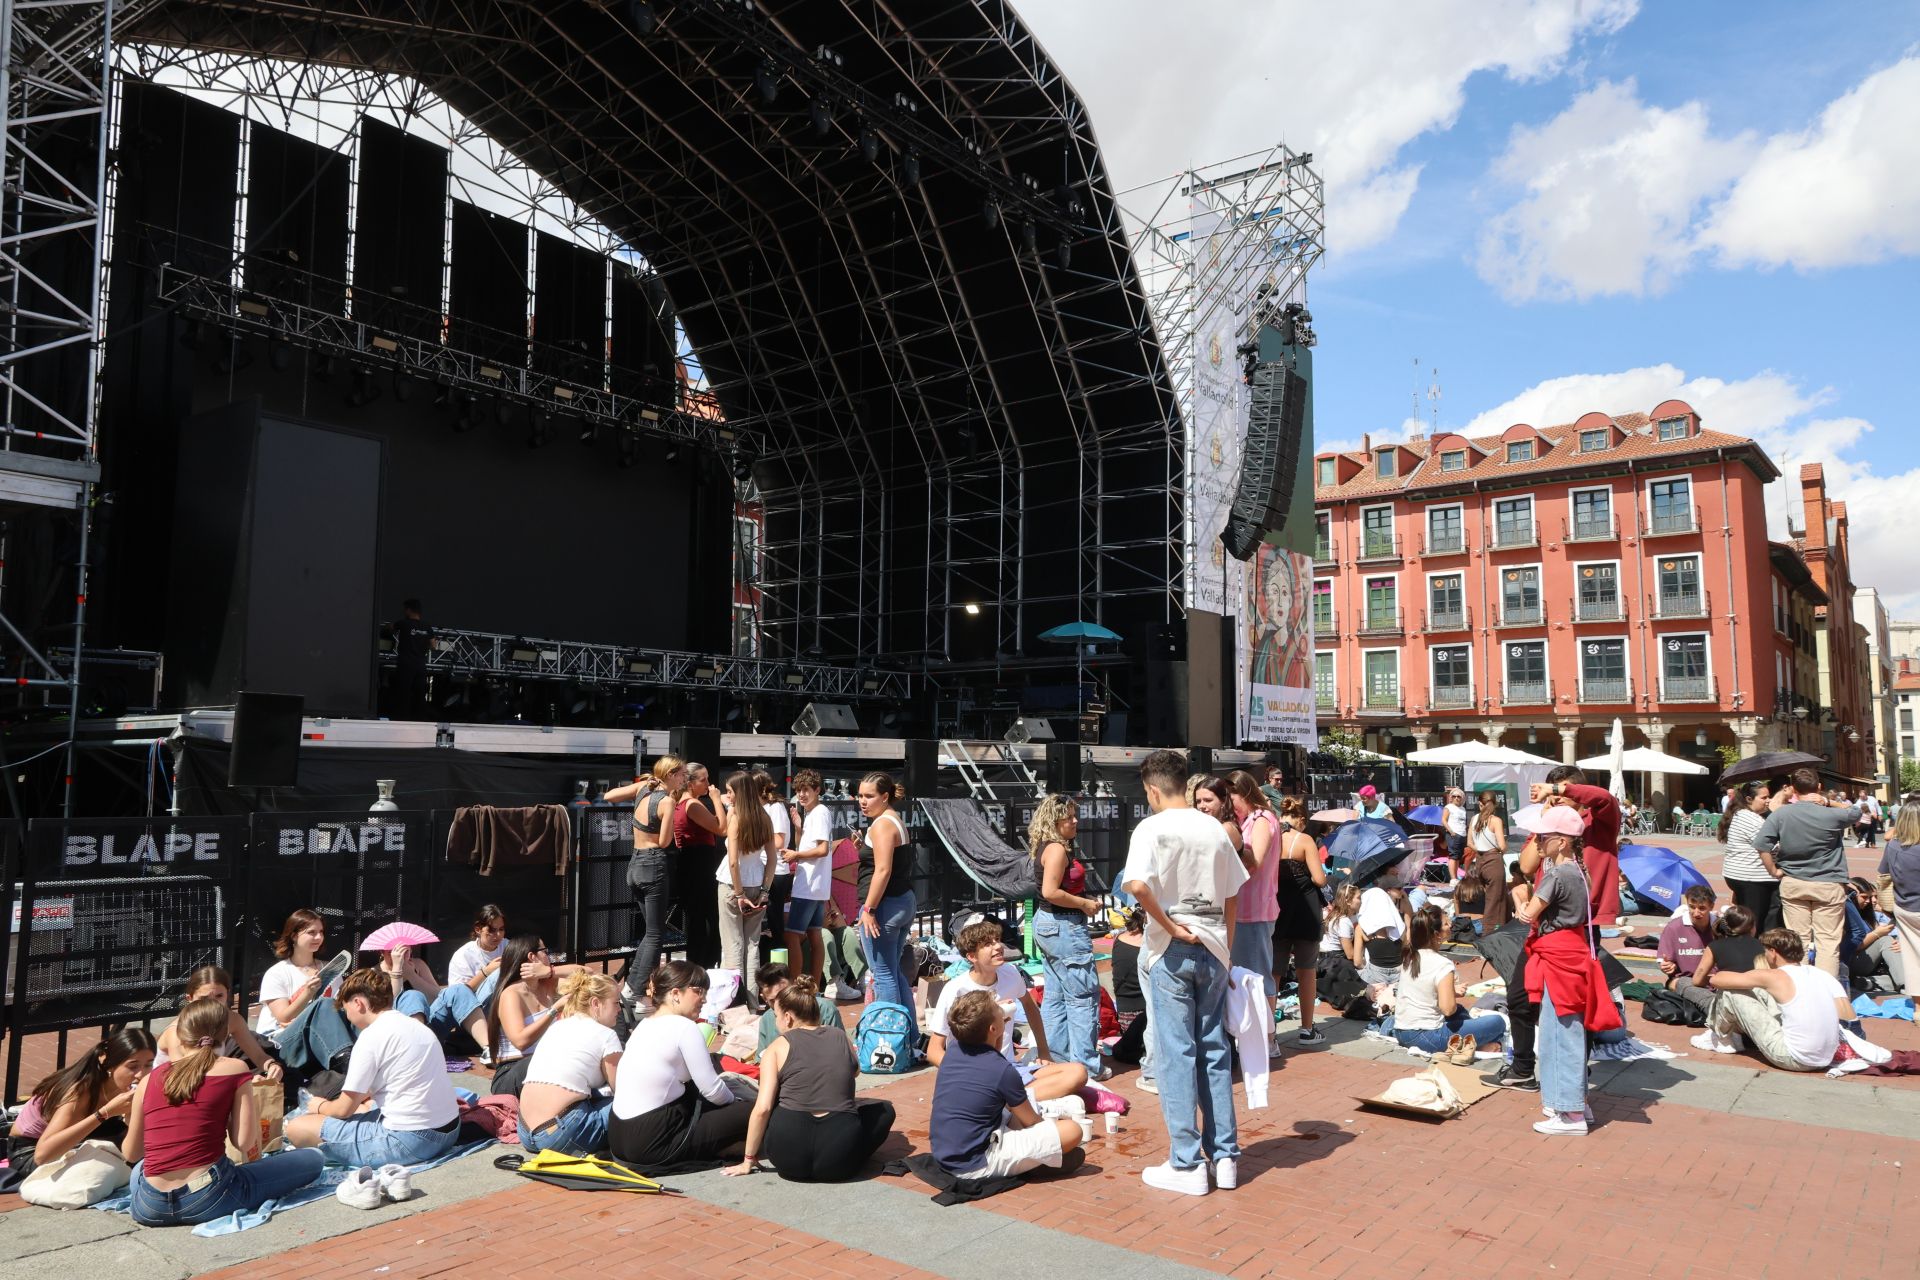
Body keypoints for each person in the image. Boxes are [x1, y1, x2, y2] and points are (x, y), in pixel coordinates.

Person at [1121, 749, 1247, 1197]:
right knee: (1214, 1049)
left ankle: (1187, 1161)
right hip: (1213, 945)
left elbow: (1137, 885)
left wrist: (1170, 924)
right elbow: (1233, 894)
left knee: (1176, 1053)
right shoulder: (1213, 827)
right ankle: (1225, 1156)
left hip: (1173, 946)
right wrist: (1226, 950)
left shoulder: (1151, 827)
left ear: (1152, 790)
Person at [123, 998, 326, 1226]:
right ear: (225, 1036)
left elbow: (131, 1153)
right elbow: (244, 1142)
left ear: (180, 1036)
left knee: (140, 1169)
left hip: (149, 1205)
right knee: (314, 1158)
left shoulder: (148, 1080)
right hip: (209, 1196)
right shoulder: (234, 1068)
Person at [724, 976, 895, 1183]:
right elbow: (855, 1071)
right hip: (839, 1161)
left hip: (787, 1160)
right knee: (885, 1111)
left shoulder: (776, 1047)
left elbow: (763, 1108)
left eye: (776, 1016)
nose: (776, 1022)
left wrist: (748, 1160)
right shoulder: (840, 1036)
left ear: (787, 1017)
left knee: (776, 1100)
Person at [284, 969, 462, 1166]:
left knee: (297, 1128)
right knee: (365, 1107)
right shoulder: (417, 1026)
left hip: (410, 1140)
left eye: (345, 1010)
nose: (347, 1017)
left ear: (358, 1003)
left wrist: (319, 1106)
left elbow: (343, 1110)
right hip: (450, 1131)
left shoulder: (371, 1037)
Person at [1516, 806, 1621, 1137]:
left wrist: (1519, 899)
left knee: (1560, 1033)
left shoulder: (1557, 874)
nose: (1538, 842)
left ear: (1561, 841)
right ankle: (1575, 1103)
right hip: (1574, 952)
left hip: (1558, 955)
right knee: (1569, 1030)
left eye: (1543, 837)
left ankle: (1569, 1111)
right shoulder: (1580, 871)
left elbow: (1529, 914)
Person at [927, 990, 1085, 1183]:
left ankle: (1035, 1157)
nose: (1001, 1010)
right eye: (997, 1009)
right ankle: (1033, 1163)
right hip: (977, 1163)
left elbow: (991, 1059)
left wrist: (998, 1027)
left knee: (1012, 1108)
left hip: (945, 1153)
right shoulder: (1002, 1070)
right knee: (1072, 1130)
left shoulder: (953, 1050)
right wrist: (1050, 1136)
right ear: (992, 1029)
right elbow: (1032, 1122)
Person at [608, 961, 752, 1169]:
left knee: (699, 1099)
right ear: (675, 993)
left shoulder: (644, 1025)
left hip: (619, 1137)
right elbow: (712, 1090)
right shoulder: (684, 1027)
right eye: (698, 991)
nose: (704, 999)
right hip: (652, 1140)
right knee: (756, 1110)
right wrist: (736, 1102)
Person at [925, 920, 1088, 1103]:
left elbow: (1031, 1008)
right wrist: (966, 1075)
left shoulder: (1010, 973)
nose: (998, 946)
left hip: (1008, 1068)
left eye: (997, 940)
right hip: (976, 1075)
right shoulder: (955, 990)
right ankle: (1011, 1099)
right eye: (988, 944)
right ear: (971, 956)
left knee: (1078, 1072)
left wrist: (1044, 1051)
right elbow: (933, 1051)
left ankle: (1008, 1100)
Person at [1028, 793, 1109, 1081]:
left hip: (1050, 924)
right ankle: (1086, 1066)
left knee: (1056, 994)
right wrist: (1084, 904)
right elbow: (1050, 891)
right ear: (1054, 821)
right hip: (1063, 926)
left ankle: (1057, 1058)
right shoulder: (1057, 850)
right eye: (1069, 817)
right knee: (1082, 995)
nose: (1075, 821)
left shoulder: (1049, 846)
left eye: (1075, 816)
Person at [8, 1029, 156, 1185]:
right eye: (133, 1066)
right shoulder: (79, 1091)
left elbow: (133, 1147)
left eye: (149, 1064)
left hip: (80, 1140)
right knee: (102, 1171)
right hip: (29, 1154)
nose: (141, 1074)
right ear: (109, 1064)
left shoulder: (130, 1088)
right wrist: (106, 1113)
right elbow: (42, 1156)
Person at [1751, 767, 1858, 978]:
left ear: (1793, 788)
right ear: (1819, 787)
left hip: (1794, 881)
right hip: (1829, 882)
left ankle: (1798, 987)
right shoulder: (1832, 814)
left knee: (1797, 939)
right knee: (1828, 942)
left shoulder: (1782, 814)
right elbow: (1855, 812)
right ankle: (1825, 989)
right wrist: (1829, 801)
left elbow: (1762, 845)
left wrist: (1773, 870)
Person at [1697, 929, 1850, 1070]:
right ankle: (1732, 1033)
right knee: (1759, 990)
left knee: (1731, 992)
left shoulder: (1774, 976)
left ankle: (1718, 1036)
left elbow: (1717, 980)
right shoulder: (1820, 974)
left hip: (1794, 1058)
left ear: (1773, 952)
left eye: (1765, 951)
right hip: (1825, 1057)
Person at [517, 972, 623, 1156]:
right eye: (616, 1003)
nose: (620, 1009)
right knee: (637, 1107)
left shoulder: (557, 1026)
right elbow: (622, 1092)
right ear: (596, 1003)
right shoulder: (606, 1035)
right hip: (560, 1132)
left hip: (525, 1132)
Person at [607, 756, 687, 998]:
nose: (684, 779)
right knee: (655, 934)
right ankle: (637, 990)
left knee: (651, 932)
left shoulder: (644, 787)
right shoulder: (666, 801)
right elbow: (664, 841)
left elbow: (610, 795)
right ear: (670, 774)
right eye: (681, 774)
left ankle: (632, 984)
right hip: (653, 864)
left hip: (635, 864)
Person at [1388, 911, 1506, 1056]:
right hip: (1427, 1036)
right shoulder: (1442, 964)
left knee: (1460, 1012)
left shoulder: (1410, 956)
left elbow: (1423, 990)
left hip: (1402, 1032)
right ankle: (1477, 1045)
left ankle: (1475, 1042)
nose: (1450, 925)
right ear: (1437, 934)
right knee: (1497, 1022)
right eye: (1445, 923)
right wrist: (1450, 993)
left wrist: (1451, 991)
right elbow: (1448, 1009)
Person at [485, 933, 581, 1094]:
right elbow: (520, 1041)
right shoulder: (511, 994)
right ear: (532, 956)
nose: (548, 955)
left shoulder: (547, 985)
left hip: (544, 1064)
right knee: (559, 1059)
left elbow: (590, 975)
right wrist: (554, 1010)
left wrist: (550, 971)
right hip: (513, 1071)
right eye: (545, 951)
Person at [1223, 772, 1280, 1043]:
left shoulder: (1261, 819)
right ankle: (1258, 1037)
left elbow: (1254, 860)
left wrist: (1232, 843)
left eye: (1230, 797)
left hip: (1255, 910)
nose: (1228, 803)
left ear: (1243, 792)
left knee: (1258, 976)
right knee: (1247, 975)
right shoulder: (1248, 820)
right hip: (1243, 909)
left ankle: (1268, 1039)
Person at [1267, 793, 1327, 1044]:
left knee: (1274, 973)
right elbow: (1319, 879)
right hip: (1305, 912)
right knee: (1306, 970)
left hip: (1278, 910)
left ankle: (1269, 1035)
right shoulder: (1304, 840)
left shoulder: (1270, 837)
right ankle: (1306, 1029)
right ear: (1302, 819)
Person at [1529, 767, 1622, 927]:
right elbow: (1526, 866)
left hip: (1582, 917)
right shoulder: (1546, 824)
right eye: (1552, 792)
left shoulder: (1598, 821)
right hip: (1546, 916)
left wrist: (1555, 789)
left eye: (1563, 790)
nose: (1557, 797)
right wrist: (1544, 823)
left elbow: (1605, 798)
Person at [855, 771, 917, 1010]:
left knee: (882, 973)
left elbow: (883, 870)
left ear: (885, 797)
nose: (863, 801)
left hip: (885, 906)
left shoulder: (882, 825)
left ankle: (889, 1028)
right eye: (860, 795)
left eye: (869, 796)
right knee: (892, 972)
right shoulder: (892, 819)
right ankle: (908, 1030)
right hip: (900, 902)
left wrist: (869, 909)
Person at [153, 967, 281, 1080]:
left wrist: (272, 1066)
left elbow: (258, 1056)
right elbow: (184, 1076)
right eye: (204, 998)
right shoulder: (177, 1031)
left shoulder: (232, 1020)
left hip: (207, 1081)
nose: (213, 1003)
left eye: (219, 996)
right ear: (190, 999)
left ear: (228, 994)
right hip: (173, 1087)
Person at [717, 770, 774, 981]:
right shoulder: (765, 817)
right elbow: (772, 858)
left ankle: (735, 997)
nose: (728, 795)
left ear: (740, 792)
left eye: (730, 791)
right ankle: (750, 996)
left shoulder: (737, 819)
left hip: (733, 886)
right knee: (752, 945)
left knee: (732, 944)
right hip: (757, 884)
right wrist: (765, 891)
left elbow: (733, 861)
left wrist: (739, 894)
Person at [783, 769, 834, 986]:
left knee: (792, 935)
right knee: (814, 934)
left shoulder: (820, 813)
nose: (801, 795)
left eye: (806, 790)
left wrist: (796, 855)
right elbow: (806, 845)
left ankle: (796, 987)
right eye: (798, 790)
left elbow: (822, 849)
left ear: (817, 790)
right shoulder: (814, 813)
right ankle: (813, 987)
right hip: (816, 886)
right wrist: (798, 829)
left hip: (809, 885)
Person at [674, 763, 728, 966]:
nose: (708, 783)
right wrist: (716, 800)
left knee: (699, 918)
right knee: (705, 918)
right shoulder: (692, 804)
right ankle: (703, 965)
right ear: (690, 783)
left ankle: (700, 964)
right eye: (703, 780)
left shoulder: (683, 802)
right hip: (699, 865)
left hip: (692, 864)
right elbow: (721, 828)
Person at [253, 909, 331, 1040]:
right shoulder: (276, 973)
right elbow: (284, 1018)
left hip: (320, 1033)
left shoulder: (331, 968)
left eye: (321, 932)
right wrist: (308, 992)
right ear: (294, 936)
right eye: (311, 932)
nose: (318, 937)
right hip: (278, 1038)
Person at [1675, 904, 1762, 1013]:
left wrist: (1714, 979)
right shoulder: (1763, 946)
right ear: (1752, 927)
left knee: (1683, 982)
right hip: (1758, 1002)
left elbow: (1697, 981)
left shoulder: (1714, 946)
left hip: (1727, 1008)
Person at [1720, 783, 1780, 932]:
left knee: (1750, 917)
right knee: (1754, 921)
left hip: (1741, 875)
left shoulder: (1743, 814)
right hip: (1752, 878)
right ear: (1749, 799)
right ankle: (1753, 944)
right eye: (1764, 797)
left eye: (1769, 796)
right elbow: (1771, 846)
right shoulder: (1749, 818)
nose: (1768, 800)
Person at [1878, 795, 1920, 1000]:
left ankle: (1918, 1008)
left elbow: (1883, 873)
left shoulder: (1893, 845)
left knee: (1913, 961)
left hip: (1904, 907)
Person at [752, 962, 842, 1055]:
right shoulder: (766, 1020)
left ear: (795, 985)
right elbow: (761, 1058)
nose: (781, 1004)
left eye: (786, 995)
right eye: (773, 1001)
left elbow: (839, 1053)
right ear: (764, 998)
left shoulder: (825, 1009)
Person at [1842, 877, 1904, 993]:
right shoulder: (1845, 914)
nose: (1869, 901)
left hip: (1870, 964)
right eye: (1864, 897)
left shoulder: (1867, 915)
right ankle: (1905, 984)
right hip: (1851, 961)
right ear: (1853, 896)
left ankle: (1871, 982)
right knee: (1885, 940)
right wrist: (1877, 934)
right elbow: (1852, 946)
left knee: (1897, 942)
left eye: (1870, 897)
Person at [1656, 885, 1716, 991]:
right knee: (1677, 984)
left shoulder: (1721, 927)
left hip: (1714, 980)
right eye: (1692, 907)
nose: (1696, 913)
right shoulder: (1673, 927)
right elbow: (1665, 962)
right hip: (1685, 981)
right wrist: (1668, 966)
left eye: (1702, 908)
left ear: (1711, 906)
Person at [1466, 792, 1511, 929]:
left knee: (1494, 897)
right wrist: (1495, 850)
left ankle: (1502, 927)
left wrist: (1481, 850)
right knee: (1495, 899)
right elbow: (1502, 846)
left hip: (1480, 860)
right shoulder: (1495, 820)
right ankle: (1490, 931)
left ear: (1480, 804)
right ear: (1495, 804)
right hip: (1493, 861)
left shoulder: (1474, 819)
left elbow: (1469, 843)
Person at [1354, 881, 1409, 986]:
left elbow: (1357, 962)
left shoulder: (1362, 928)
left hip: (1374, 976)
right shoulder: (1400, 925)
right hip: (1399, 975)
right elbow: (1405, 949)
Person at [387, 597, 429, 719]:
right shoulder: (427, 627)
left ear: (409, 610)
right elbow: (433, 644)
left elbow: (390, 627)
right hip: (420, 665)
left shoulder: (404, 623)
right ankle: (420, 719)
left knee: (403, 692)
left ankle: (402, 718)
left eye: (405, 609)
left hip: (406, 664)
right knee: (420, 693)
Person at [1191, 774, 1242, 852]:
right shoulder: (1207, 826)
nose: (1202, 806)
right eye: (1198, 801)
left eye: (1208, 800)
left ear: (1223, 801)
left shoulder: (1226, 828)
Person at [1442, 788, 1469, 878]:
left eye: (1459, 796)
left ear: (1462, 798)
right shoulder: (1449, 807)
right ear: (1451, 797)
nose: (1456, 798)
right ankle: (1453, 878)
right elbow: (1443, 820)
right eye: (1454, 796)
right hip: (1453, 835)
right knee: (1453, 856)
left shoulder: (1463, 809)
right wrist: (1451, 832)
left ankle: (1456, 877)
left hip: (1462, 835)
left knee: (1458, 857)